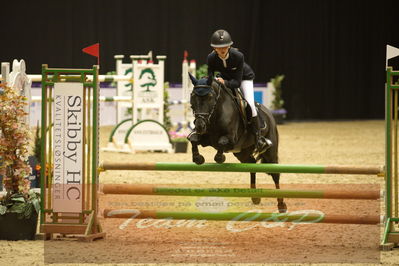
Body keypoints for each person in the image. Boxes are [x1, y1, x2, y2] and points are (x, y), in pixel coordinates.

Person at [189, 29, 272, 154]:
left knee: (249, 103)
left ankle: (259, 138)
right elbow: (210, 76)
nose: (222, 49)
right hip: (224, 77)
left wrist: (224, 82)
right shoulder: (211, 58)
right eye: (218, 47)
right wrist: (209, 83)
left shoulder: (238, 56)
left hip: (244, 78)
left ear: (229, 46)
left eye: (225, 46)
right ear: (214, 48)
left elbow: (237, 82)